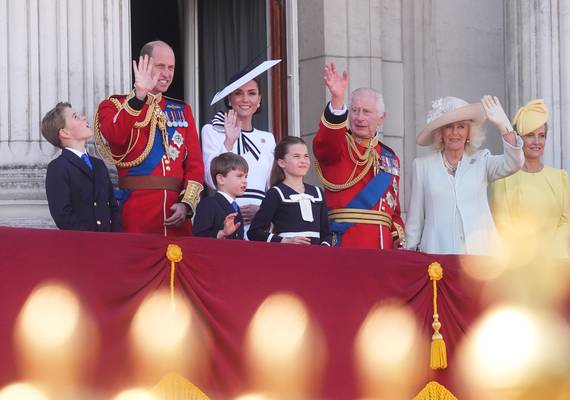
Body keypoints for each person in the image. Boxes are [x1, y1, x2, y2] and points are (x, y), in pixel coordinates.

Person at [95, 40, 204, 236]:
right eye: (160, 66)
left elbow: (195, 165)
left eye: (171, 68)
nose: (167, 74)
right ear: (143, 65)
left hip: (176, 216)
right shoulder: (114, 105)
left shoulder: (182, 110)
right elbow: (115, 136)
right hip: (136, 213)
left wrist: (186, 204)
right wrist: (139, 97)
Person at [405, 95, 524, 255]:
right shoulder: (422, 166)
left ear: (469, 132)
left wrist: (505, 128)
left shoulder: (482, 160)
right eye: (449, 127)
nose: (455, 133)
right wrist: (410, 253)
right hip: (437, 257)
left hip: (479, 259)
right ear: (440, 132)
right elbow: (415, 221)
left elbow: (514, 164)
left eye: (461, 126)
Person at [312, 63, 405, 249]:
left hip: (383, 248)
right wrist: (337, 101)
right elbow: (325, 144)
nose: (359, 117)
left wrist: (398, 237)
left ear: (381, 118)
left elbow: (393, 211)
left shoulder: (390, 157)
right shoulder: (339, 146)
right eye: (354, 110)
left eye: (366, 112)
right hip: (345, 243)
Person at [201, 61, 279, 237]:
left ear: (259, 100)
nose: (245, 99)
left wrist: (263, 211)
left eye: (252, 94)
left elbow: (274, 185)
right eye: (238, 93)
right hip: (225, 217)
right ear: (229, 99)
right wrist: (229, 141)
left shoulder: (267, 138)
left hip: (260, 222)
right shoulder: (213, 131)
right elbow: (211, 179)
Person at [491, 99, 570, 258]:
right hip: (519, 265)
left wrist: (551, 254)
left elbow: (566, 222)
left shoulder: (559, 177)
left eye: (541, 136)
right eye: (530, 135)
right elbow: (502, 225)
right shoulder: (503, 179)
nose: (536, 142)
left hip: (557, 264)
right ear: (519, 139)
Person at [41, 102, 121, 232]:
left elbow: (113, 206)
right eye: (75, 117)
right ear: (65, 132)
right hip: (81, 245)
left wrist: (115, 238)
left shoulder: (99, 165)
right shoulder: (58, 168)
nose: (84, 118)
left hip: (109, 243)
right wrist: (90, 240)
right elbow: (63, 215)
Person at [248, 137, 332, 245]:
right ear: (282, 163)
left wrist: (324, 246)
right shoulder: (275, 193)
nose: (303, 161)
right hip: (287, 256)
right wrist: (283, 240)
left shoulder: (317, 192)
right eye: (296, 156)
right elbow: (254, 232)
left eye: (306, 156)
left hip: (316, 257)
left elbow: (326, 233)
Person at [192, 152, 247, 239]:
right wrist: (221, 233)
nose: (245, 181)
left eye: (245, 176)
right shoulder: (208, 204)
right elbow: (198, 237)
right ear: (220, 179)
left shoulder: (236, 208)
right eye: (239, 176)